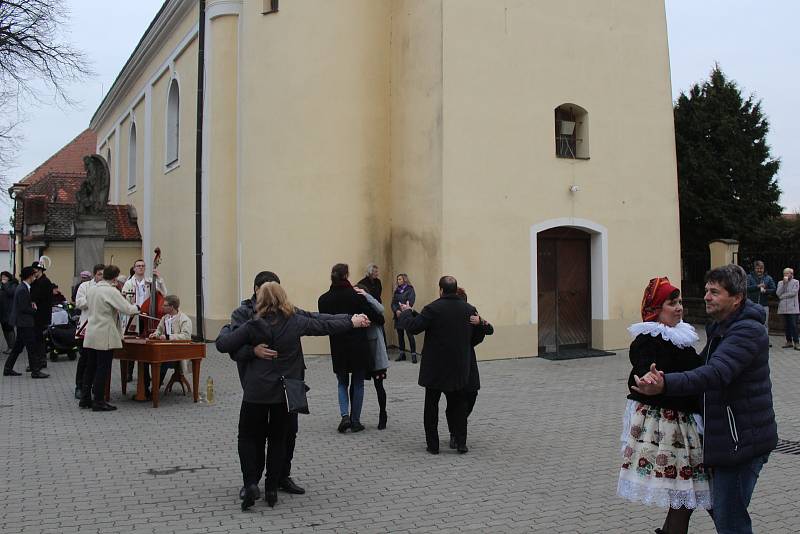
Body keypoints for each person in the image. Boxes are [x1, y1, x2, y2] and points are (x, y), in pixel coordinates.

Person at [633, 265, 778, 534]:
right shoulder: (720, 328)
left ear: (736, 298)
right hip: (724, 439)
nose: (706, 297)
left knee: (729, 520)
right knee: (711, 507)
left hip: (741, 443)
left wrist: (665, 384)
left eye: (714, 292)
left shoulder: (745, 332)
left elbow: (714, 373)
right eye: (706, 291)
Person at [216, 281, 369, 510]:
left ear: (260, 300)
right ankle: (271, 488)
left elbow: (222, 344)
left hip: (256, 392)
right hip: (283, 392)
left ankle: (250, 484)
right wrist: (351, 322)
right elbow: (323, 326)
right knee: (279, 439)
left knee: (248, 437)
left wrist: (227, 328)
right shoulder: (294, 321)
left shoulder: (252, 325)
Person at [227, 270, 346, 496]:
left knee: (288, 433)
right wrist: (253, 351)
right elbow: (232, 348)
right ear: (256, 290)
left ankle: (281, 476)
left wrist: (348, 318)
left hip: (290, 384)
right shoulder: (243, 314)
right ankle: (254, 481)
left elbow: (315, 319)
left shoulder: (289, 314)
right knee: (259, 435)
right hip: (259, 386)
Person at [617, 277, 711, 534]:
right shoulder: (649, 337)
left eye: (680, 302)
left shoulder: (680, 336)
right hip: (670, 428)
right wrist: (646, 375)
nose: (679, 307)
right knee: (687, 492)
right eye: (672, 303)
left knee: (686, 495)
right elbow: (641, 364)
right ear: (657, 309)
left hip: (685, 423)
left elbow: (697, 369)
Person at [397, 275, 474, 454]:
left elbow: (415, 327)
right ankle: (461, 443)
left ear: (440, 290)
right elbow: (477, 334)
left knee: (431, 407)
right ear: (456, 289)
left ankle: (433, 446)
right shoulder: (469, 309)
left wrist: (407, 312)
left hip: (435, 368)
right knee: (459, 407)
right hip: (459, 366)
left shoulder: (433, 308)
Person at [318, 263, 386, 433]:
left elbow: (324, 322)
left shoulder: (324, 299)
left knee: (342, 382)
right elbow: (378, 316)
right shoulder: (356, 296)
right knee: (358, 383)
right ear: (347, 275)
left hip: (338, 345)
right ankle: (355, 420)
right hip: (358, 345)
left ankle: (344, 416)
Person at [80, 265, 140, 411]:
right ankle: (99, 401)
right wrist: (137, 308)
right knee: (103, 368)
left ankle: (85, 398)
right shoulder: (110, 291)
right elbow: (126, 309)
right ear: (114, 278)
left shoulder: (92, 289)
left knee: (91, 367)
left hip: (92, 331)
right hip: (104, 333)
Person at [448, 287, 493, 449]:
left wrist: (480, 321)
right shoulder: (447, 316)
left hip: (468, 361)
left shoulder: (471, 314)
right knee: (455, 402)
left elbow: (490, 329)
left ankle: (457, 425)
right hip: (452, 363)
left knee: (472, 395)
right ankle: (456, 435)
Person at [354, 284, 390, 429]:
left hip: (375, 350)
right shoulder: (354, 305)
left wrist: (366, 295)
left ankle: (383, 413)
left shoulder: (371, 305)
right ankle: (354, 418)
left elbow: (381, 309)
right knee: (357, 384)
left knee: (379, 384)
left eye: (359, 292)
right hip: (360, 349)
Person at [3, 266, 48, 378]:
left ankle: (7, 369)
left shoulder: (23, 287)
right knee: (31, 347)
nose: (35, 276)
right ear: (29, 276)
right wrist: (34, 309)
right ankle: (35, 371)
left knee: (18, 347)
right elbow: (23, 308)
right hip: (24, 323)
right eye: (33, 274)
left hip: (22, 322)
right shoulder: (23, 289)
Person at [74, 264, 105, 399]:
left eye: (104, 274)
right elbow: (79, 303)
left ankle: (95, 387)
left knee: (97, 360)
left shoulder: (107, 288)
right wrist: (94, 299)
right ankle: (79, 386)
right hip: (86, 327)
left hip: (101, 328)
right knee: (85, 359)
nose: (101, 277)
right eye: (99, 274)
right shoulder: (85, 286)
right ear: (94, 275)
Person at [148, 294, 192, 384]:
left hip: (178, 352)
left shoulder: (184, 319)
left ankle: (156, 387)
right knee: (146, 358)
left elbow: (186, 336)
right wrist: (155, 334)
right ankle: (145, 387)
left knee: (163, 360)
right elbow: (159, 330)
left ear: (172, 307)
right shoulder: (165, 318)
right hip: (165, 349)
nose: (162, 307)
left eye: (165, 305)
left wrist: (168, 337)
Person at [30, 261, 53, 369]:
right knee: (38, 338)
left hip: (41, 315)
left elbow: (37, 296)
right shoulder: (38, 282)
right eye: (34, 271)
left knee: (39, 339)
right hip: (38, 315)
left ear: (41, 271)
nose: (35, 273)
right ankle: (40, 360)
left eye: (37, 271)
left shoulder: (44, 282)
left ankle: (40, 361)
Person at [391, 273, 417, 363]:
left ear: (404, 280)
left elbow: (411, 300)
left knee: (410, 335)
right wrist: (396, 310)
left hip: (407, 315)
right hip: (398, 316)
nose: (398, 281)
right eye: (397, 279)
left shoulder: (410, 289)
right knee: (400, 335)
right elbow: (393, 303)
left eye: (400, 279)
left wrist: (405, 308)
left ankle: (413, 354)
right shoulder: (396, 291)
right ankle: (402, 354)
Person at [745, 260, 775, 330]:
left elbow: (773, 289)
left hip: (764, 305)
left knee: (764, 324)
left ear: (763, 269)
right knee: (751, 323)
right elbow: (746, 288)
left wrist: (766, 291)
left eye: (761, 268)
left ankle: (764, 340)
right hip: (751, 304)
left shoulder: (768, 278)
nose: (759, 270)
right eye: (757, 268)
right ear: (754, 268)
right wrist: (757, 286)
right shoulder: (749, 277)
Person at [775, 267, 799, 350]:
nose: (785, 275)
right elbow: (778, 293)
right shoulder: (780, 283)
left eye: (787, 273)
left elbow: (793, 293)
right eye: (784, 274)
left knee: (793, 325)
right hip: (783, 308)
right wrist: (784, 284)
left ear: (791, 274)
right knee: (786, 325)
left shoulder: (796, 282)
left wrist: (782, 296)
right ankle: (789, 341)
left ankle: (796, 342)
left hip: (792, 307)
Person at [0, 271, 18, 354]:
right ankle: (9, 346)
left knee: (9, 329)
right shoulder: (2, 285)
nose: (3, 278)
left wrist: (5, 284)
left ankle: (13, 347)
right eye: (2, 277)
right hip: (2, 311)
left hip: (9, 311)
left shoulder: (13, 284)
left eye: (5, 277)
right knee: (4, 329)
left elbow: (11, 293)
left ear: (9, 277)